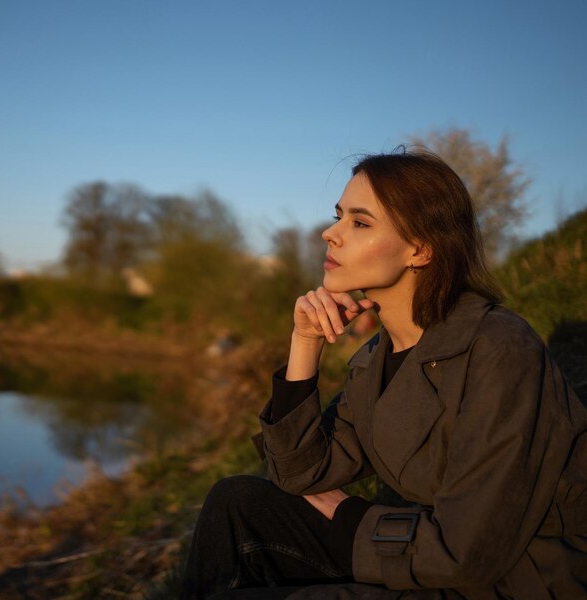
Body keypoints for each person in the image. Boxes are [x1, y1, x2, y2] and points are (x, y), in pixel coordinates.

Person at [179, 150, 587, 599]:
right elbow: (300, 474)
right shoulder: (381, 355)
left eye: (360, 222)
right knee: (236, 501)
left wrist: (350, 516)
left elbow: (469, 552)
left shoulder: (500, 349)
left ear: (420, 249)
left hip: (518, 580)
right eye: (339, 216)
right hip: (448, 558)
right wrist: (305, 344)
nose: (329, 233)